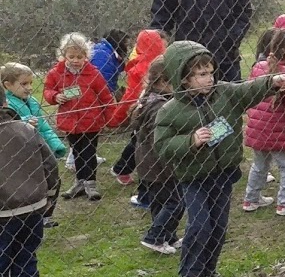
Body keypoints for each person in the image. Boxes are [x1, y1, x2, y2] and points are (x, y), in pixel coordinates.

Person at [153, 41, 285, 277]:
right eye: (201, 74)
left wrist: (272, 82)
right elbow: (163, 146)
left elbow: (248, 90)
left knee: (219, 225)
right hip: (194, 178)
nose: (209, 79)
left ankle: (209, 269)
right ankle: (191, 273)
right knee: (199, 225)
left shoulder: (225, 94)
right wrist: (190, 140)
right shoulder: (170, 111)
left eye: (210, 72)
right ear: (183, 79)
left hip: (223, 174)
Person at [0, 78, 60, 277]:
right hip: (34, 207)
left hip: (3, 214)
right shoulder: (26, 129)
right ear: (5, 100)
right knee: (26, 252)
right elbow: (50, 166)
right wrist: (48, 201)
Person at [243, 30, 285, 216]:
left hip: (258, 130)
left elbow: (250, 92)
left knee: (259, 165)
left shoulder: (259, 66)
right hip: (280, 132)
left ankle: (251, 199)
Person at [44, 33, 115, 201]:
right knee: (76, 152)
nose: (75, 60)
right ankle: (79, 182)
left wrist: (110, 116)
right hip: (70, 121)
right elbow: (47, 90)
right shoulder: (56, 73)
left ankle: (90, 183)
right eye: (71, 56)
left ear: (86, 56)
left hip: (91, 121)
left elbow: (105, 96)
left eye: (80, 56)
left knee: (89, 152)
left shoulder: (93, 73)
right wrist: (55, 96)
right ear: (63, 56)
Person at [2, 62, 67, 228]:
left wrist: (55, 145)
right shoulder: (7, 105)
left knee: (49, 181)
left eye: (31, 83)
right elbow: (9, 126)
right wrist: (23, 122)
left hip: (40, 150)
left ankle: (45, 215)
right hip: (22, 154)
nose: (29, 88)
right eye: (24, 84)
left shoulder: (32, 102)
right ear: (7, 85)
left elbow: (43, 126)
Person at [132, 57, 183, 255]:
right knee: (176, 201)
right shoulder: (159, 107)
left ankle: (167, 237)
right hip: (160, 165)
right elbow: (159, 140)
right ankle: (154, 235)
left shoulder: (149, 98)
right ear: (163, 82)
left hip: (147, 164)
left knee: (159, 202)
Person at [108, 29, 167, 190]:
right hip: (143, 113)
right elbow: (130, 96)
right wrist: (117, 117)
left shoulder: (159, 64)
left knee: (142, 144)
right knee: (137, 144)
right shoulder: (142, 69)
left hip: (153, 111)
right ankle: (121, 169)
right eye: (162, 44)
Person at [89, 28, 132, 95]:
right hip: (98, 94)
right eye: (126, 45)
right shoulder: (103, 56)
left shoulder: (108, 52)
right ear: (120, 43)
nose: (128, 48)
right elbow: (105, 85)